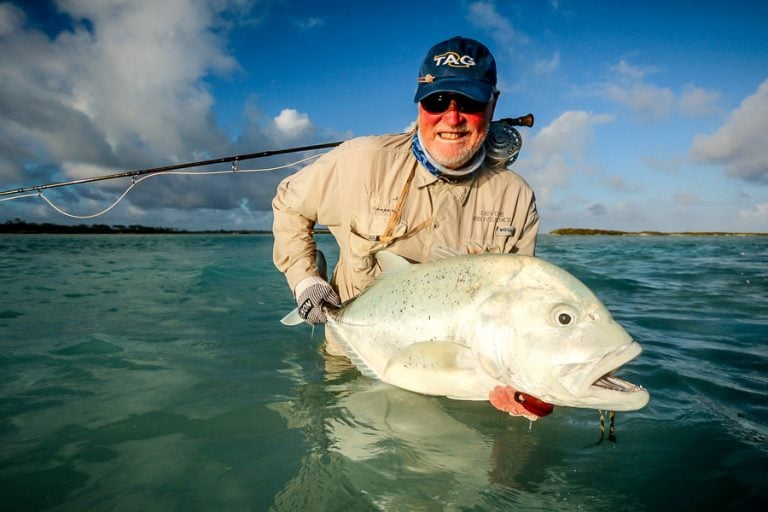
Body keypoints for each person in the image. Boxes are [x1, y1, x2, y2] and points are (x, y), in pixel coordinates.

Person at [272, 36, 539, 356]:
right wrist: (305, 280)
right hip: (353, 355)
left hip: (452, 367)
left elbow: (513, 306)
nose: (452, 119)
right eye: (437, 101)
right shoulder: (360, 161)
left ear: (493, 104)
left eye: (469, 102)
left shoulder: (516, 198)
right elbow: (289, 204)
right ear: (419, 104)